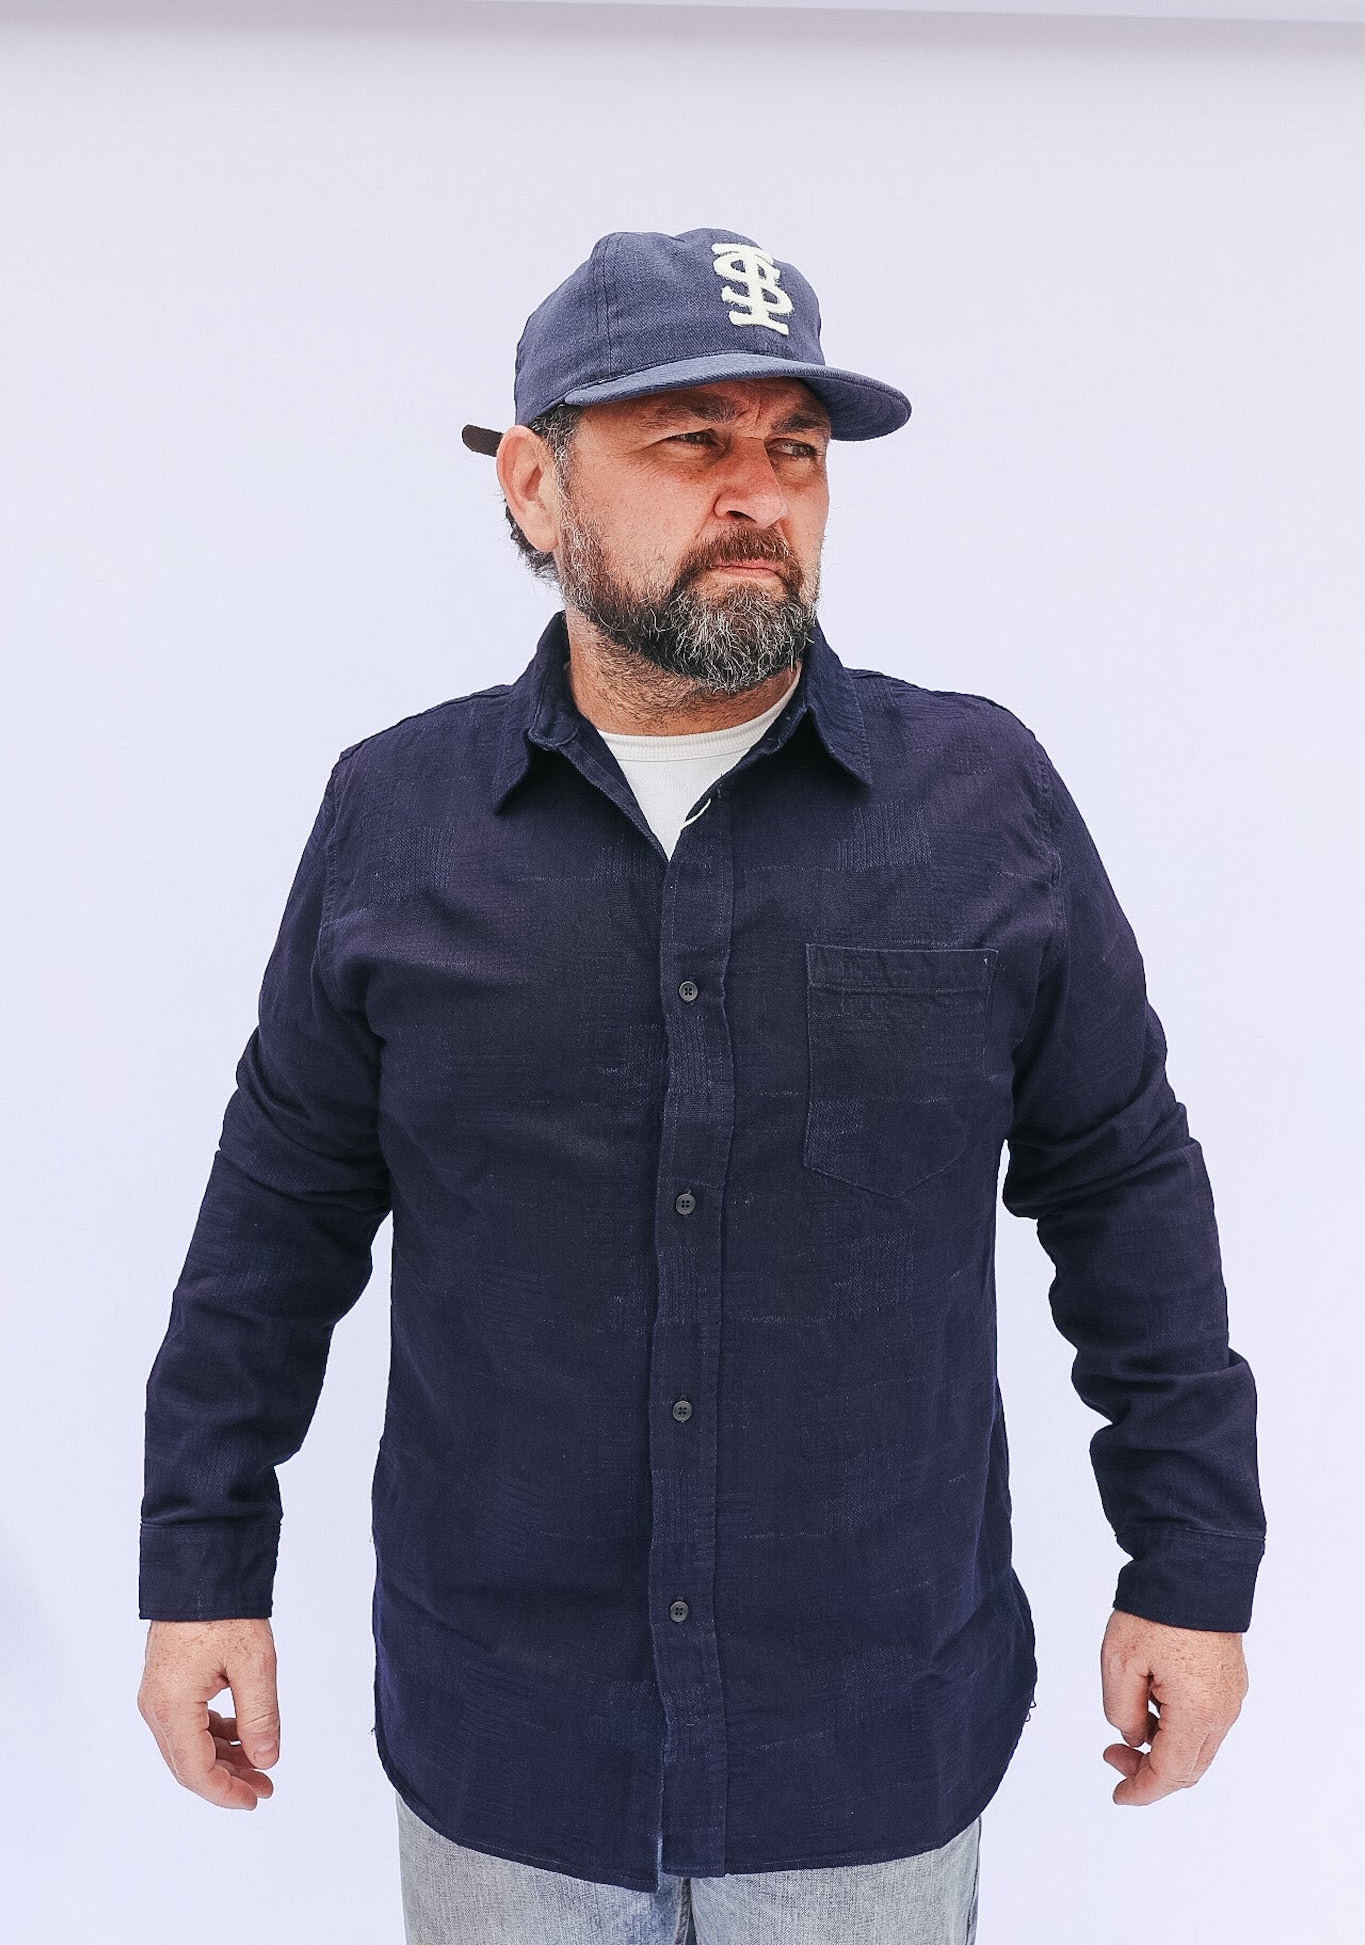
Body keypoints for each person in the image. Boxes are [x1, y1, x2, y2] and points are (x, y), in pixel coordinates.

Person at [137, 227, 1265, 1945]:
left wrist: (1188, 1567)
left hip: (868, 1742)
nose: (760, 492)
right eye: (691, 442)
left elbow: (1120, 1182)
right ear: (533, 485)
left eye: (792, 448)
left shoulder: (982, 800)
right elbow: (279, 1206)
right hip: (507, 1745)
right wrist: (199, 1564)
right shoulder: (397, 817)